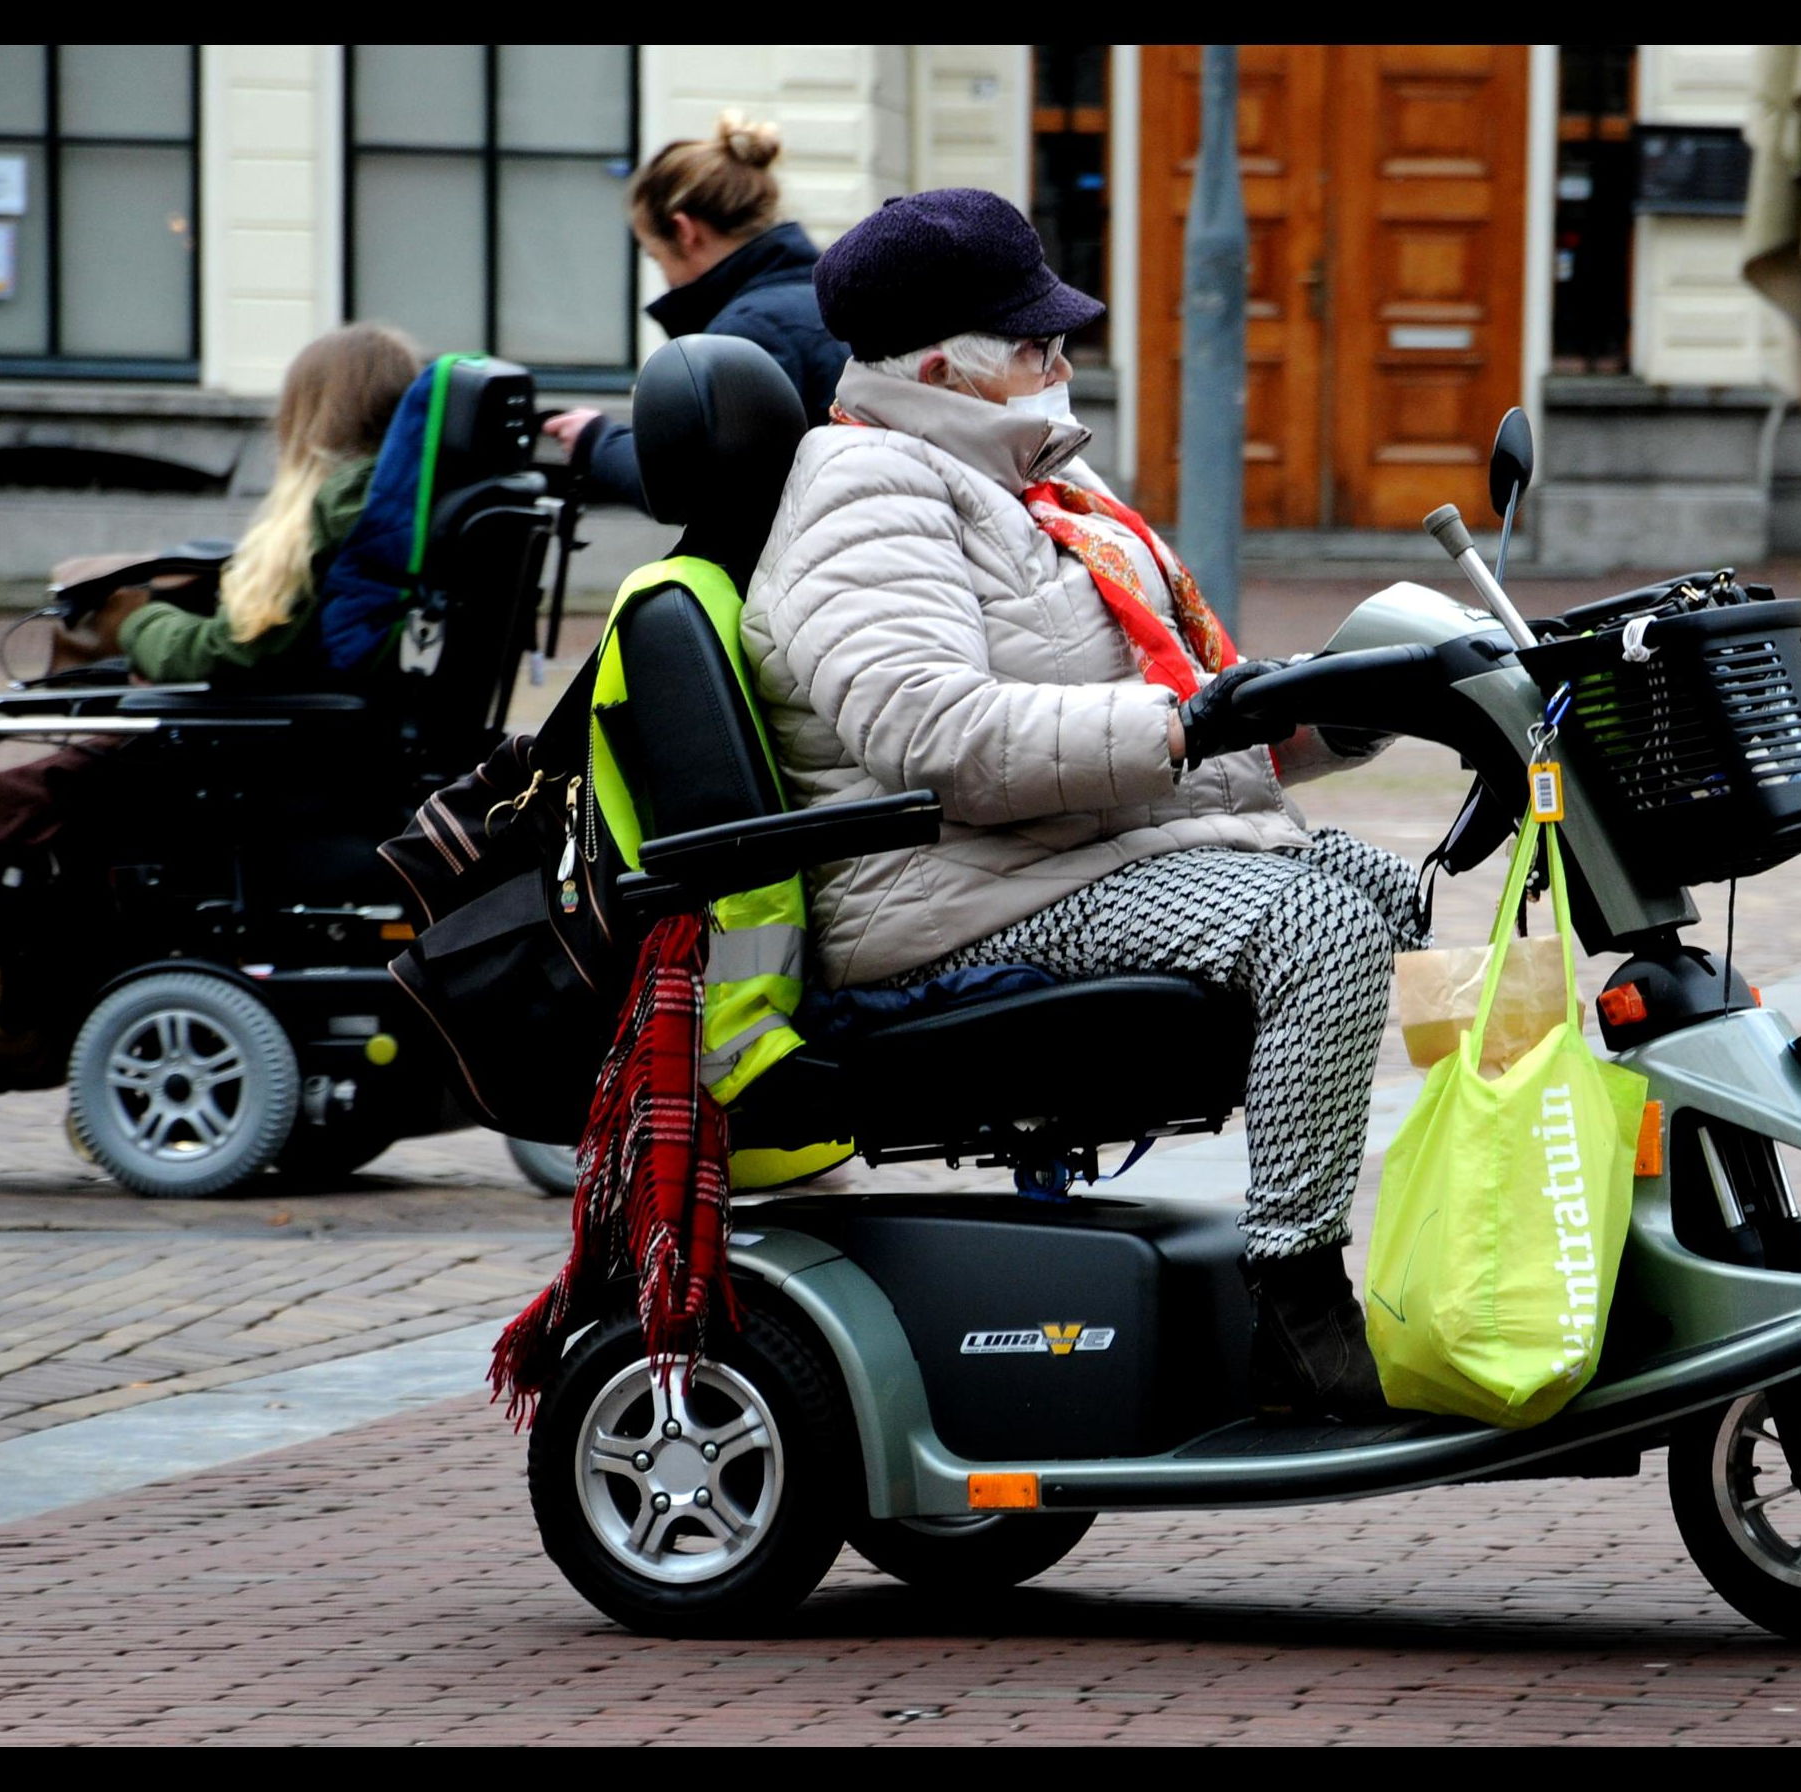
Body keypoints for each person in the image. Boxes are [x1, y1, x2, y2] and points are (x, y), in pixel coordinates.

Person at [741, 188, 1414, 1420]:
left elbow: (1186, 713)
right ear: (939, 371)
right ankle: (1293, 1301)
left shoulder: (1036, 489)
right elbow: (935, 735)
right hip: (953, 903)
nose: (1061, 365)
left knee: (1388, 891)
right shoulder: (865, 491)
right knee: (1315, 924)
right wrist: (1185, 724)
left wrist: (1348, 711)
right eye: (1036, 345)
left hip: (1063, 856)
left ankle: (1447, 1241)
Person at [547, 113, 849, 506]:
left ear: (685, 231)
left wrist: (595, 441)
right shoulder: (827, 298)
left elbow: (696, 487)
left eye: (656, 257)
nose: (666, 278)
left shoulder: (749, 331)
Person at [117, 322, 423, 685]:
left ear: (306, 419)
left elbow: (232, 653)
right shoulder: (414, 503)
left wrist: (134, 622)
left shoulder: (338, 507)